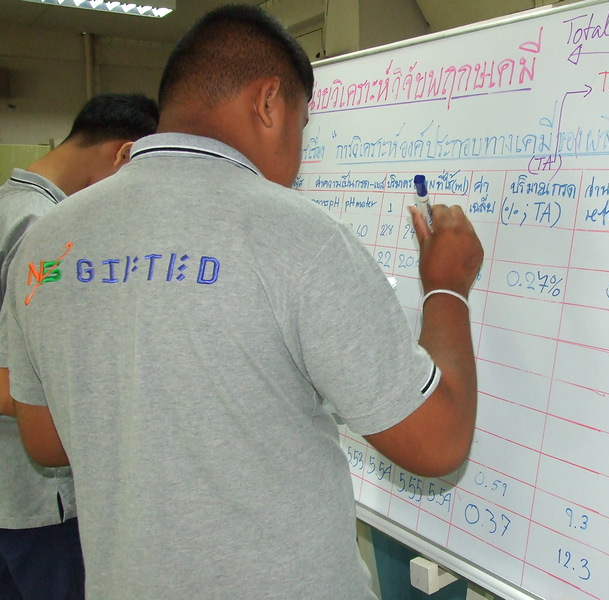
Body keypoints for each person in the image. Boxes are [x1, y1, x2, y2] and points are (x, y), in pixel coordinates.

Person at [4, 6, 482, 599]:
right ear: (269, 102)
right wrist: (446, 286)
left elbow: (46, 441)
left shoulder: (48, 241)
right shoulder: (299, 236)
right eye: (302, 127)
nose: (299, 157)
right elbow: (438, 441)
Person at [0, 93, 159, 600]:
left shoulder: (7, 204)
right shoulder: (46, 232)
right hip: (40, 506)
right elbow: (11, 382)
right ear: (123, 154)